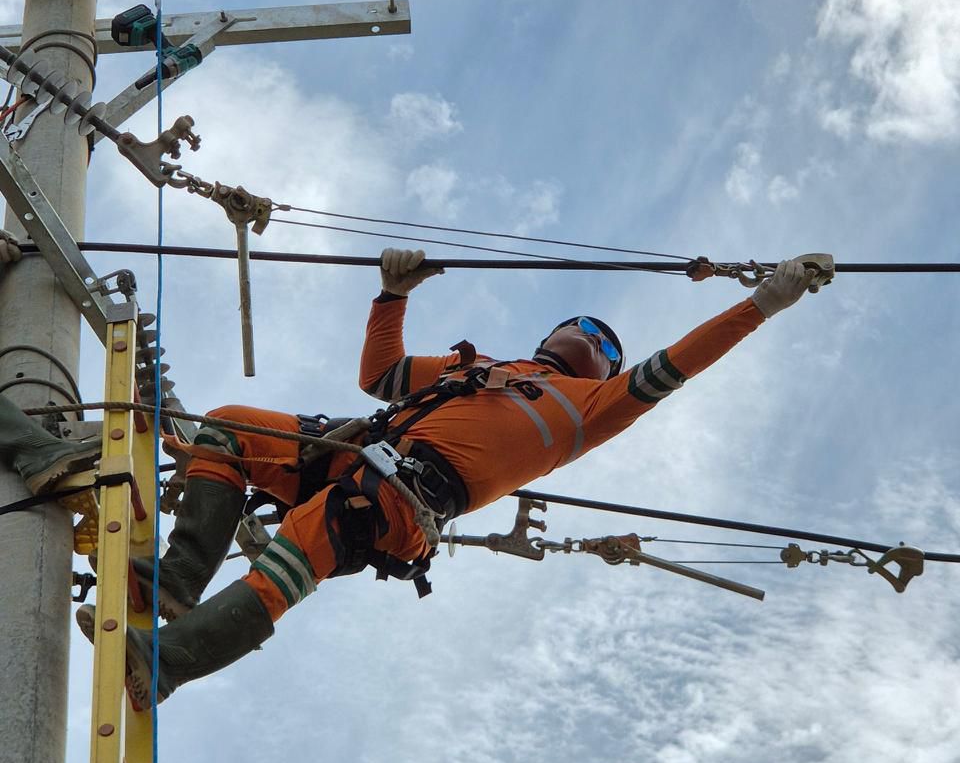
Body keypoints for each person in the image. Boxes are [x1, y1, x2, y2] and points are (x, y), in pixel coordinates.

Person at [1, 244, 820, 706]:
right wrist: (390, 293)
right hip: (360, 448)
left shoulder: (593, 406)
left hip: (402, 496)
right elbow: (379, 375)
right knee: (232, 427)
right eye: (582, 328)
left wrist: (762, 304)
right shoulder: (478, 368)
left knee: (307, 540)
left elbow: (675, 366)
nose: (589, 341)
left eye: (600, 341)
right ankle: (176, 581)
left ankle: (169, 659)